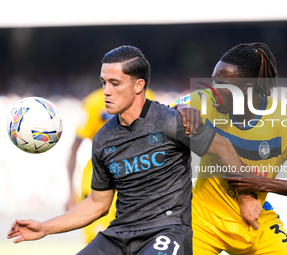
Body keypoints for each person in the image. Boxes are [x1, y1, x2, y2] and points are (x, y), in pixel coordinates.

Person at [7, 45, 261, 255]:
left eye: (115, 83)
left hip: (167, 232)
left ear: (138, 86)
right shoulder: (103, 139)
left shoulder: (173, 121)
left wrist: (246, 198)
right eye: (104, 82)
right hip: (119, 235)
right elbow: (98, 204)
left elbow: (224, 148)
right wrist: (44, 228)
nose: (106, 91)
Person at [173, 42, 287, 255]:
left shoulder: (285, 124)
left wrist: (263, 183)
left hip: (255, 221)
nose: (212, 88)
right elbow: (159, 115)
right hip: (203, 220)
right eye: (213, 79)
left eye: (221, 83)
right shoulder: (204, 101)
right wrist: (181, 107)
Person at [66, 87, 156, 243]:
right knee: (100, 246)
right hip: (99, 187)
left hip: (136, 186)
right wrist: (71, 192)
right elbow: (74, 149)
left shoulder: (150, 98)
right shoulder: (93, 103)